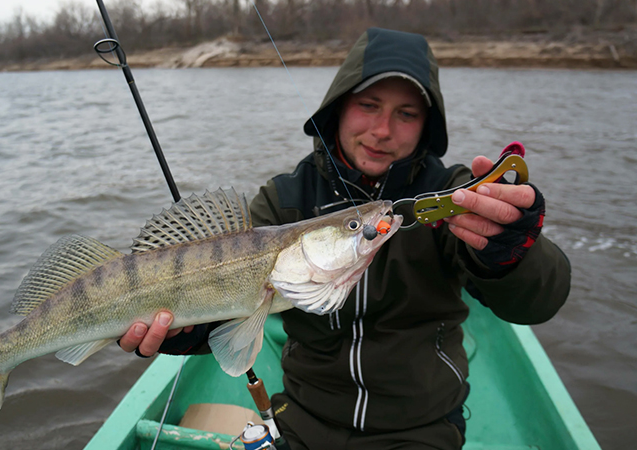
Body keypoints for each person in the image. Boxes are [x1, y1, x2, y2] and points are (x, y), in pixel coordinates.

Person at [118, 27, 571, 449]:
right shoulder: (284, 199)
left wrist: (512, 253)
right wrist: (185, 333)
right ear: (338, 106)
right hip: (305, 418)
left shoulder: (450, 198)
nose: (382, 130)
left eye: (406, 114)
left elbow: (536, 303)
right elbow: (228, 316)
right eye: (369, 105)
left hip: (422, 427)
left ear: (427, 125)